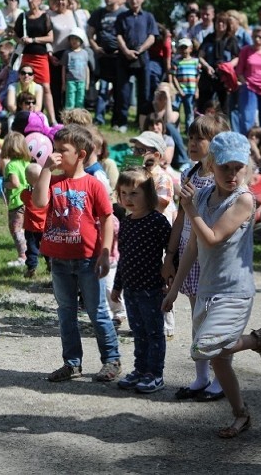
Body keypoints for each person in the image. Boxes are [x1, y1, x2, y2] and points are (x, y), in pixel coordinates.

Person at [163, 131, 261, 438]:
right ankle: (241, 414)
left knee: (207, 347)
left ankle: (258, 339)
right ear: (211, 165)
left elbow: (212, 239)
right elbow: (194, 246)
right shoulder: (202, 196)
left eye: (237, 167)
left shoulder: (244, 200)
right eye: (225, 166)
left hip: (235, 289)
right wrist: (174, 289)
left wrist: (189, 211)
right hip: (207, 287)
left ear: (246, 168)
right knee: (218, 358)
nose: (231, 173)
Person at [33, 124, 121, 383]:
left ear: (81, 154)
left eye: (63, 150)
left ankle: (111, 360)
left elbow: (107, 218)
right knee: (66, 313)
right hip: (58, 260)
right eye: (54, 149)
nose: (56, 155)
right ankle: (72, 363)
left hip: (88, 260)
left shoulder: (93, 184)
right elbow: (39, 202)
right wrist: (46, 169)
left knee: (98, 312)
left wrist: (105, 253)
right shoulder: (53, 180)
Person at [161, 114, 232, 402]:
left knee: (215, 319)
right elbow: (180, 217)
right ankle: (202, 376)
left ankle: (220, 377)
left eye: (198, 139)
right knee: (197, 316)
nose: (191, 143)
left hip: (210, 255)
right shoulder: (189, 174)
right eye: (189, 138)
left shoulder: (221, 179)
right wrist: (170, 253)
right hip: (189, 255)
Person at [113, 167, 173, 394]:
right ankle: (140, 370)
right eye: (124, 193)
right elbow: (124, 256)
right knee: (138, 332)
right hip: (131, 288)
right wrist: (118, 285)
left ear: (148, 194)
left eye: (134, 193)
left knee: (154, 332)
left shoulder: (157, 221)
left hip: (151, 288)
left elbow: (172, 251)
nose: (128, 199)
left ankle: (155, 374)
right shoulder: (126, 222)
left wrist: (170, 279)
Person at [15, 0, 55, 119]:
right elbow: (15, 35)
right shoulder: (22, 17)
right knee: (25, 86)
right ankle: (23, 116)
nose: (30, 1)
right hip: (26, 56)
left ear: (39, 0)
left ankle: (52, 119)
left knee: (46, 87)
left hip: (40, 56)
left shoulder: (45, 17)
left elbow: (50, 37)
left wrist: (33, 40)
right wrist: (21, 40)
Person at [87, 0, 124, 125]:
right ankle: (99, 118)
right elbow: (89, 32)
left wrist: (123, 50)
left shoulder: (123, 13)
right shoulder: (98, 13)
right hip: (103, 58)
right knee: (102, 89)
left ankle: (116, 120)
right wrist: (96, 48)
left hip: (119, 58)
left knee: (118, 91)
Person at [0, 131, 31, 268]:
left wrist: (3, 184)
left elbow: (15, 183)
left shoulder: (11, 165)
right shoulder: (26, 162)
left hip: (16, 202)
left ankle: (22, 256)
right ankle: (29, 253)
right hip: (27, 200)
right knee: (24, 229)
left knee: (16, 229)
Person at [170, 37, 200, 129]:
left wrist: (196, 90)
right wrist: (179, 89)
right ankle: (176, 129)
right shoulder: (176, 62)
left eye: (185, 47)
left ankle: (189, 130)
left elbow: (197, 76)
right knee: (176, 110)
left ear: (190, 48)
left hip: (190, 91)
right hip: (180, 91)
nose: (184, 50)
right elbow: (173, 76)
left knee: (189, 112)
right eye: (181, 48)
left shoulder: (195, 62)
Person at [61, 27, 91, 110]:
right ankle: (68, 118)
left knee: (80, 101)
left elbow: (86, 68)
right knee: (70, 101)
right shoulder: (67, 53)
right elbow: (63, 68)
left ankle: (79, 119)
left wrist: (87, 82)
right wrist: (64, 83)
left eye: (76, 39)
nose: (74, 41)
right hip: (70, 81)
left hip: (81, 81)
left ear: (81, 40)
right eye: (72, 39)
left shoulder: (85, 53)